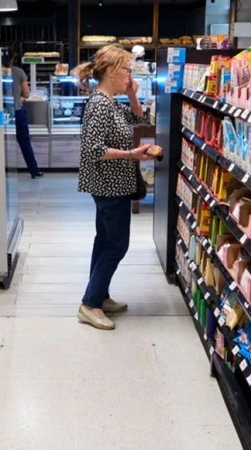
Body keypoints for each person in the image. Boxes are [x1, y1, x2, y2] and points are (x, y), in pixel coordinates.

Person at [73, 45, 154, 330]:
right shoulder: (99, 104)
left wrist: (132, 93)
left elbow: (139, 120)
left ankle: (100, 295)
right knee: (117, 244)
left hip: (115, 183)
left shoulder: (111, 102)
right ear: (111, 71)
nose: (131, 76)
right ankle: (90, 304)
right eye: (128, 71)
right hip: (109, 186)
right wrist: (132, 154)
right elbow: (93, 149)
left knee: (104, 240)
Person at [5, 50, 43, 179]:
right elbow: (26, 94)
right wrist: (18, 97)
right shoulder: (18, 72)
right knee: (24, 142)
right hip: (16, 112)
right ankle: (34, 171)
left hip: (0, 114)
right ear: (12, 58)